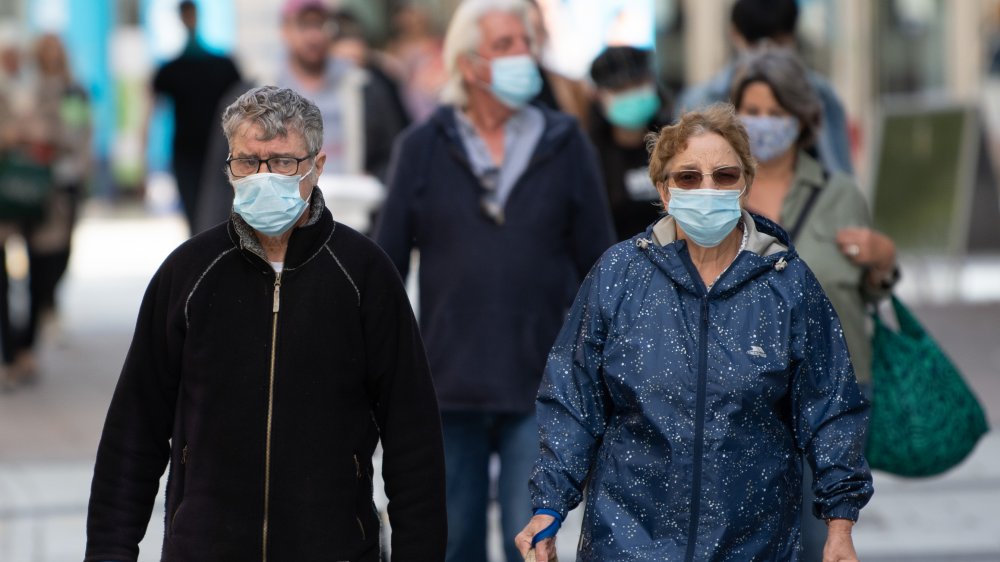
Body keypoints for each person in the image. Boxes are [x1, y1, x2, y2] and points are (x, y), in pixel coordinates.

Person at [85, 86, 447, 561]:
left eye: (280, 163)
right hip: (206, 548)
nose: (262, 177)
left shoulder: (363, 274)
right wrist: (110, 551)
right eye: (247, 162)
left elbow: (412, 436)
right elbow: (135, 430)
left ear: (316, 167)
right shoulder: (189, 274)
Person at [516, 104, 873, 561]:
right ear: (663, 191)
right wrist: (549, 506)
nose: (707, 188)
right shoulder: (619, 275)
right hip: (627, 544)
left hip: (753, 546)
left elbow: (831, 408)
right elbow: (571, 400)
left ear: (745, 185)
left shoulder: (787, 283)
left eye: (724, 175)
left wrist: (840, 526)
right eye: (688, 177)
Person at [373, 1, 615, 561]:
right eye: (506, 45)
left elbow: (601, 268)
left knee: (530, 542)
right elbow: (384, 268)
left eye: (526, 42)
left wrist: (599, 366)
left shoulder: (566, 142)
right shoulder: (423, 146)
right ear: (471, 62)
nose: (522, 56)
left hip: (541, 384)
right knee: (451, 542)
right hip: (445, 384)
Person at [730, 47, 897, 560]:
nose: (762, 124)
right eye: (751, 112)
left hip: (832, 390)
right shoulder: (719, 190)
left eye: (775, 112)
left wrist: (883, 261)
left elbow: (868, 292)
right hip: (741, 390)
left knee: (816, 534)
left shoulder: (840, 192)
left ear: (802, 119)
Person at [0, 33, 91, 390]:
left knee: (47, 268)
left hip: (50, 193)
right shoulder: (21, 87)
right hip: (8, 193)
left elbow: (78, 134)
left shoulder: (72, 91)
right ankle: (11, 352)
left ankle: (25, 342)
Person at [673, 0, 854, 175]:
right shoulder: (700, 101)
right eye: (752, 111)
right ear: (735, 35)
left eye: (777, 113)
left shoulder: (820, 95)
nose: (765, 57)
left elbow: (839, 173)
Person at [151, 0, 241, 232]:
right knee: (196, 214)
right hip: (187, 153)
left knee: (221, 212)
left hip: (221, 150)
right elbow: (151, 110)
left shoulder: (223, 65)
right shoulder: (170, 69)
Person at [587, 45, 673, 240]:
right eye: (619, 88)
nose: (631, 93)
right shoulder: (588, 156)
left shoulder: (677, 146)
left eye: (638, 83)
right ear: (597, 95)